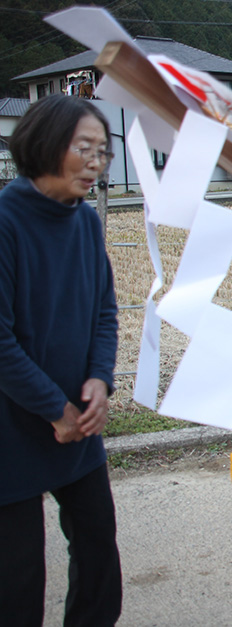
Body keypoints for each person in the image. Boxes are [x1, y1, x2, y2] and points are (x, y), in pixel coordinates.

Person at [0, 94, 122, 626]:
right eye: (84, 148)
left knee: (98, 550)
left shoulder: (86, 223)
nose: (96, 162)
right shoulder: (5, 221)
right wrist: (55, 408)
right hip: (12, 424)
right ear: (46, 146)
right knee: (18, 575)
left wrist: (99, 380)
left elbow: (104, 312)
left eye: (103, 150)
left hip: (79, 417)